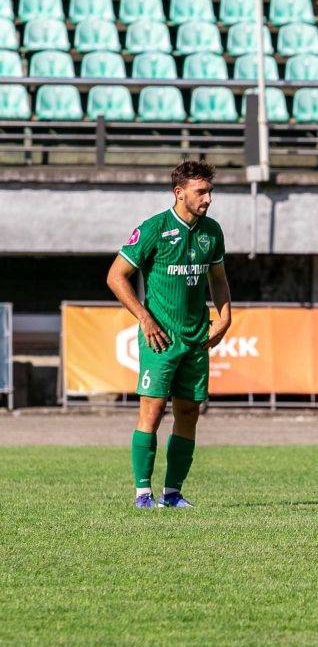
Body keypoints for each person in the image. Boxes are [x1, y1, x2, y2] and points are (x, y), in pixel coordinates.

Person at [106, 159, 232, 510]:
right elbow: (116, 276)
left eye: (210, 191)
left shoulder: (213, 231)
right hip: (159, 338)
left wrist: (225, 317)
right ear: (179, 193)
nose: (208, 198)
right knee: (153, 408)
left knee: (189, 412)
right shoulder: (153, 229)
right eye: (201, 191)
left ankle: (173, 494)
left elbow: (218, 278)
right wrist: (145, 319)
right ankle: (142, 493)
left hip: (196, 338)